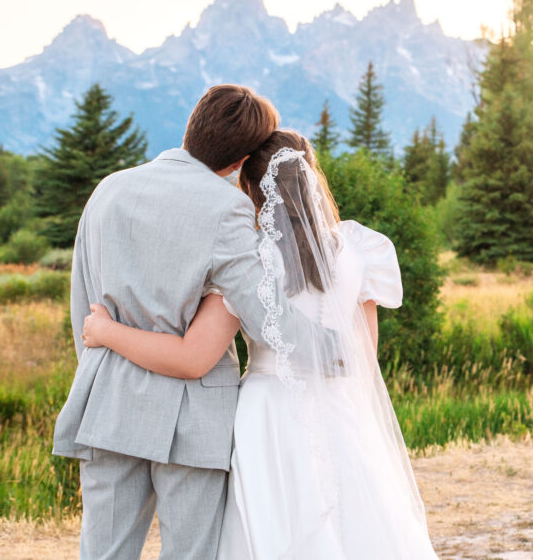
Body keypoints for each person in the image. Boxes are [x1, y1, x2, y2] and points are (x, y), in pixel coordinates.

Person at [82, 130, 439, 559]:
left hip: (268, 415)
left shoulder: (248, 260)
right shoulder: (361, 250)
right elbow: (362, 358)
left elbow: (193, 358)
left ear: (250, 185)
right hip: (343, 411)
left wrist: (107, 333)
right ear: (311, 176)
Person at [53, 85, 335, 559]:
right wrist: (335, 348)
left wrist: (104, 370)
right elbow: (265, 315)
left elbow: (84, 303)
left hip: (109, 401)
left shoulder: (108, 190)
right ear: (240, 160)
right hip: (192, 419)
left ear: (191, 125)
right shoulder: (228, 208)